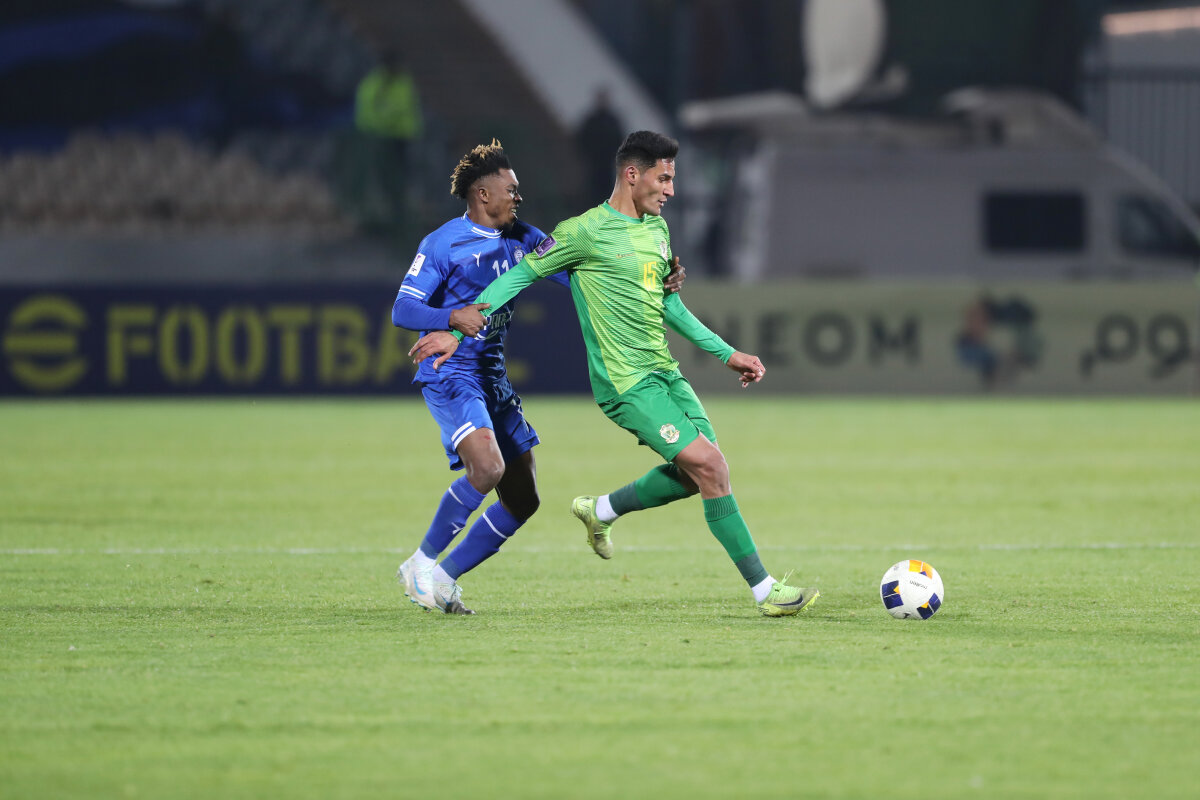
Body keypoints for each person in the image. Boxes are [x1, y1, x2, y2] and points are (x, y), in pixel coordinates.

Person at [410, 131, 819, 617]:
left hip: (666, 373)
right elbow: (518, 277)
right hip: (626, 385)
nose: (671, 190)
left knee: (696, 476)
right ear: (632, 175)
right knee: (713, 468)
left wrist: (727, 353)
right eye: (663, 179)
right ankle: (765, 591)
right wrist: (455, 332)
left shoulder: (657, 230)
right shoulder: (582, 233)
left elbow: (669, 304)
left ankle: (600, 509)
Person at [392, 139, 684, 615]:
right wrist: (451, 318)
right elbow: (403, 309)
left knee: (523, 500)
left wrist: (654, 277)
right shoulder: (443, 243)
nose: (518, 197)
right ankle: (420, 565)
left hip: (493, 377)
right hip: (452, 372)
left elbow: (585, 275)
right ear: (483, 195)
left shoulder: (525, 238)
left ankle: (444, 579)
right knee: (487, 469)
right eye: (511, 190)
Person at [355, 47, 423, 230]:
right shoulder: (375, 84)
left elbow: (408, 108)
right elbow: (370, 112)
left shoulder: (403, 83)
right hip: (381, 139)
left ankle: (399, 211)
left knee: (401, 176)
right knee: (384, 176)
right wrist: (381, 126)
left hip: (401, 137)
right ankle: (386, 211)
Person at [573, 87, 624, 208]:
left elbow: (620, 141)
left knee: (607, 191)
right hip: (594, 163)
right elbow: (582, 139)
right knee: (594, 192)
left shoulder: (612, 121)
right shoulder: (592, 121)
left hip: (608, 163)